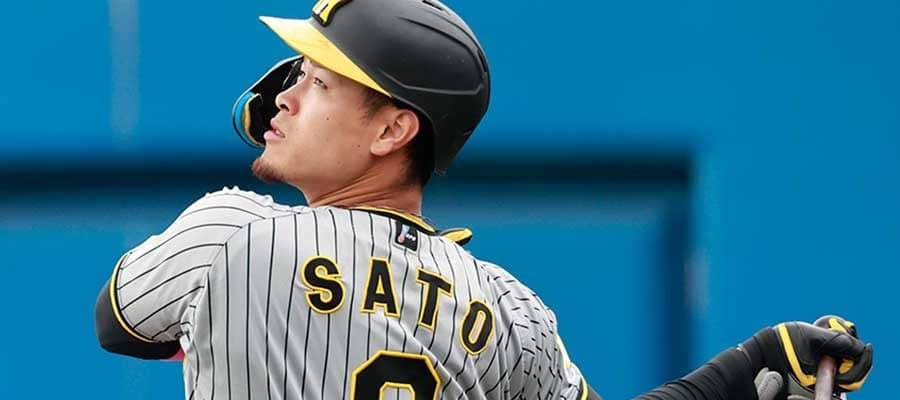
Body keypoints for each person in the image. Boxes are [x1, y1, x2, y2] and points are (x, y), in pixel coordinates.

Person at [94, 0, 873, 399]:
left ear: (393, 129)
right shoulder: (511, 310)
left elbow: (119, 325)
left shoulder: (228, 230)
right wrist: (748, 367)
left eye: (317, 83)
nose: (284, 97)